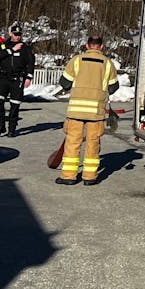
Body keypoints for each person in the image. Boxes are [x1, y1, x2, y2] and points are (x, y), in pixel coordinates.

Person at [56, 35, 119, 186]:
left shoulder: (77, 60)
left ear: (87, 45)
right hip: (96, 113)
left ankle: (68, 176)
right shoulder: (108, 64)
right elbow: (113, 87)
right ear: (102, 47)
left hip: (76, 111)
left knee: (72, 143)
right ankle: (90, 177)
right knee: (93, 143)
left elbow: (64, 83)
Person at [0, 23, 34, 137]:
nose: (17, 37)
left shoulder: (25, 48)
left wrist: (28, 77)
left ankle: (12, 129)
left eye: (19, 34)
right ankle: (0, 126)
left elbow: (30, 63)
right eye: (15, 34)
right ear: (10, 34)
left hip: (17, 78)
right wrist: (12, 50)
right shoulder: (4, 45)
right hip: (3, 78)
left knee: (14, 106)